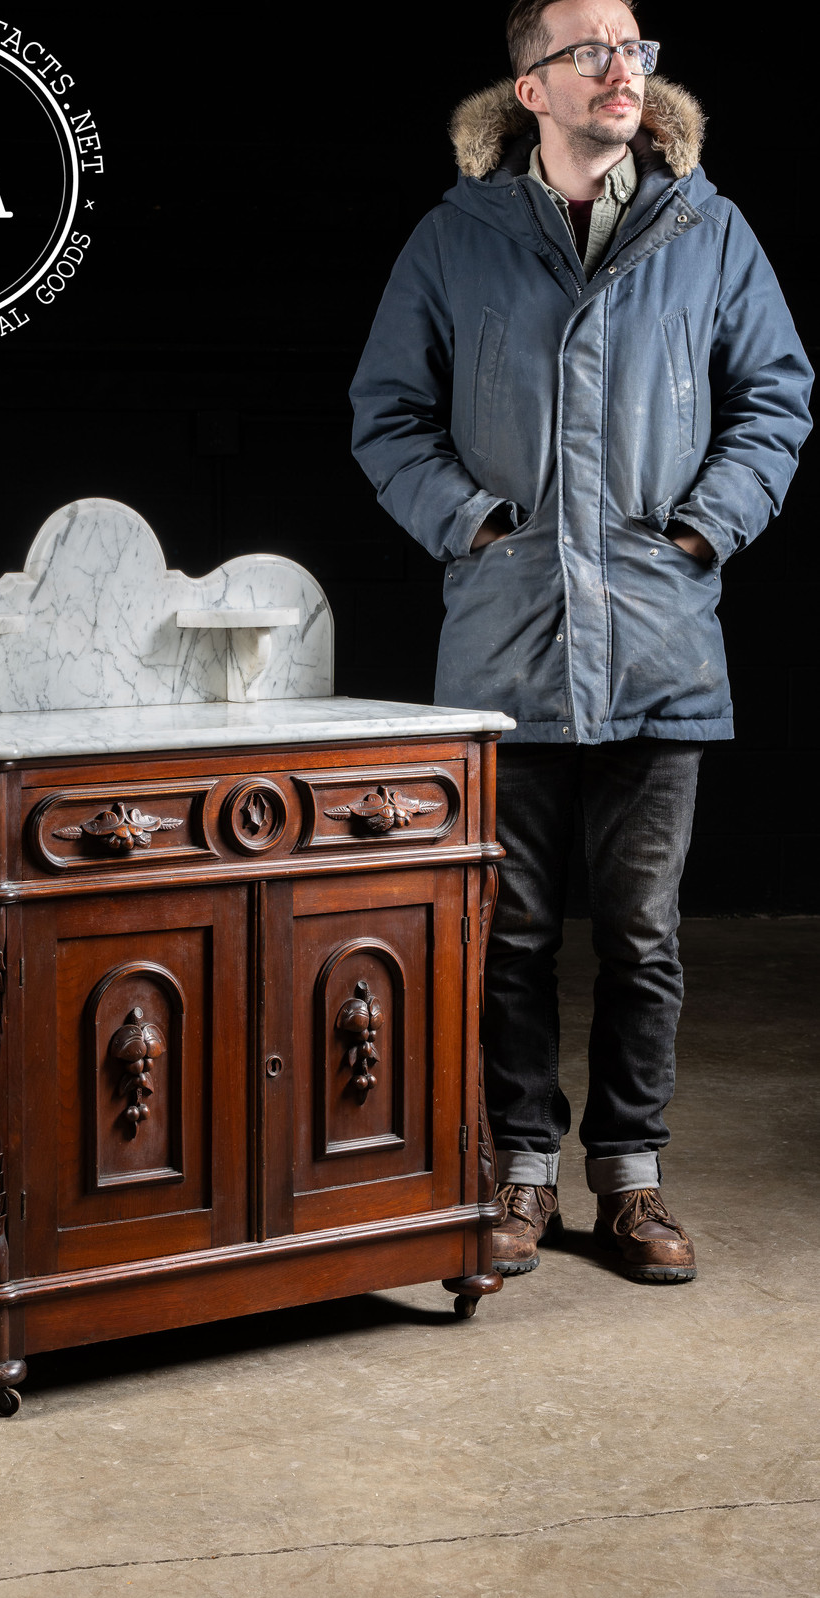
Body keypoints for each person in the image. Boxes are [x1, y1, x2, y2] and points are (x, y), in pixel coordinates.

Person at [349, 0, 812, 1283]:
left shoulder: (707, 229)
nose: (622, 68)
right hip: (505, 652)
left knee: (644, 933)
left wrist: (703, 531)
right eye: (587, 51)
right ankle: (517, 1171)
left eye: (635, 48)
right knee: (505, 932)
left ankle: (631, 1180)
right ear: (528, 89)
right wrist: (472, 524)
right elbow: (385, 415)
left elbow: (775, 398)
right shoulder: (454, 239)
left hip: (661, 642)